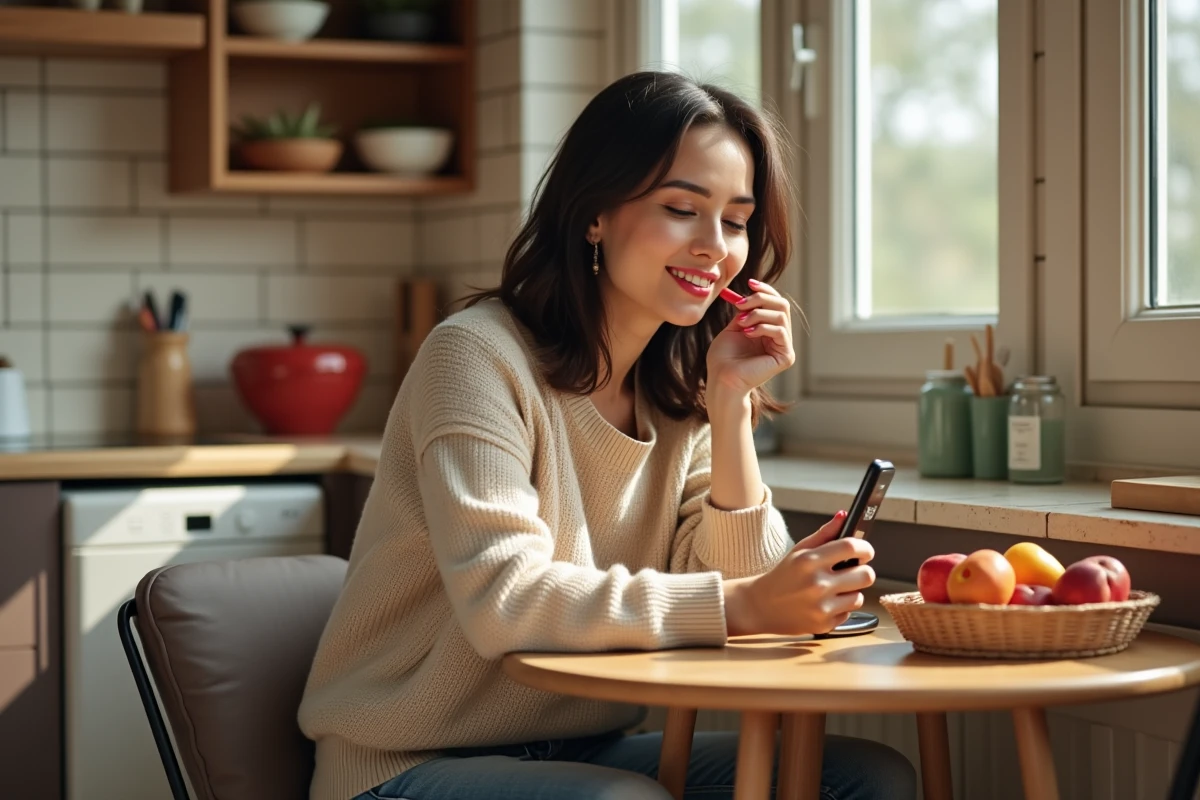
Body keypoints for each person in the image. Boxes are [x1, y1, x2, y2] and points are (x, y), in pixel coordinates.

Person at [298, 70, 917, 800]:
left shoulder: (679, 392)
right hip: (404, 764)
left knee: (862, 779)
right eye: (682, 208)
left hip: (588, 749)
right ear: (594, 214)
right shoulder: (473, 358)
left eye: (736, 220)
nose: (714, 248)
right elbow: (507, 601)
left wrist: (727, 405)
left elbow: (745, 591)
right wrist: (742, 605)